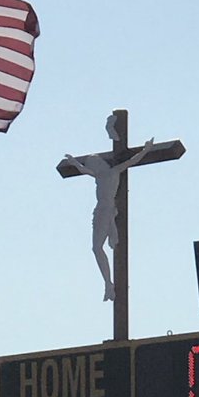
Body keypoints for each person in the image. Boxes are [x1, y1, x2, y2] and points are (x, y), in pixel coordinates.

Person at [57, 128, 154, 301]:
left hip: (108, 210)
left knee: (99, 247)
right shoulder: (98, 175)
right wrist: (73, 162)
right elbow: (83, 170)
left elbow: (132, 161)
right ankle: (108, 284)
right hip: (100, 211)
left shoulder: (114, 171)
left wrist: (146, 150)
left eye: (94, 163)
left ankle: (109, 284)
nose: (92, 167)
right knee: (96, 248)